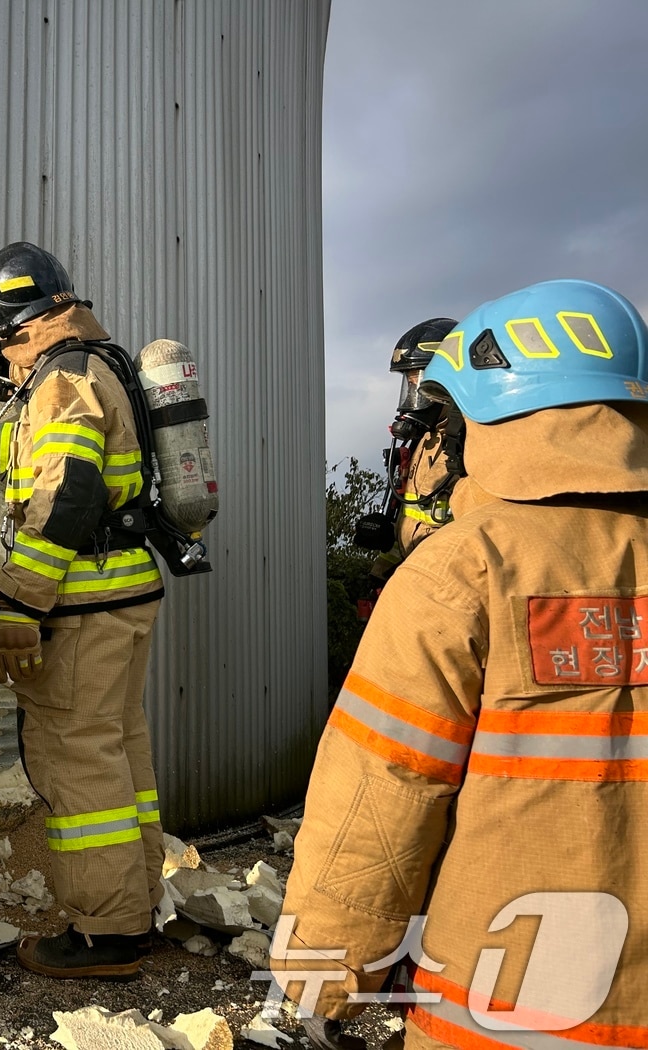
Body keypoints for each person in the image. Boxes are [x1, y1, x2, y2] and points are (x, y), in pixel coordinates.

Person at [270, 279, 648, 1050]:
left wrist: (320, 989)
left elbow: (380, 799)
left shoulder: (466, 570)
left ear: (481, 417)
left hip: (509, 1011)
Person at [0, 241, 165, 979]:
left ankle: (108, 935)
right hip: (121, 596)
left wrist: (20, 606)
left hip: (81, 607)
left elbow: (69, 496)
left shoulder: (62, 384)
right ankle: (137, 906)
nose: (1, 363)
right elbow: (20, 451)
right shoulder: (90, 369)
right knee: (118, 753)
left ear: (21, 329)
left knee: (75, 763)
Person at [357, 318, 463, 612]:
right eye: (410, 384)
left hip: (450, 590)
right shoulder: (422, 442)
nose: (413, 398)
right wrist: (381, 568)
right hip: (415, 579)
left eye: (421, 384)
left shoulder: (476, 444)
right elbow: (411, 517)